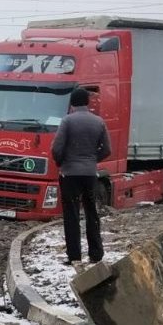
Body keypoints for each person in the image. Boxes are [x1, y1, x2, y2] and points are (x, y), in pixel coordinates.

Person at [52, 87, 112, 265]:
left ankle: (74, 256)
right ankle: (96, 253)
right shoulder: (98, 122)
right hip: (90, 174)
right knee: (91, 212)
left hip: (70, 174)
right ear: (87, 102)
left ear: (72, 102)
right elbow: (107, 149)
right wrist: (92, 159)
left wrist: (61, 162)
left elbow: (57, 148)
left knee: (71, 215)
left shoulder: (67, 121)